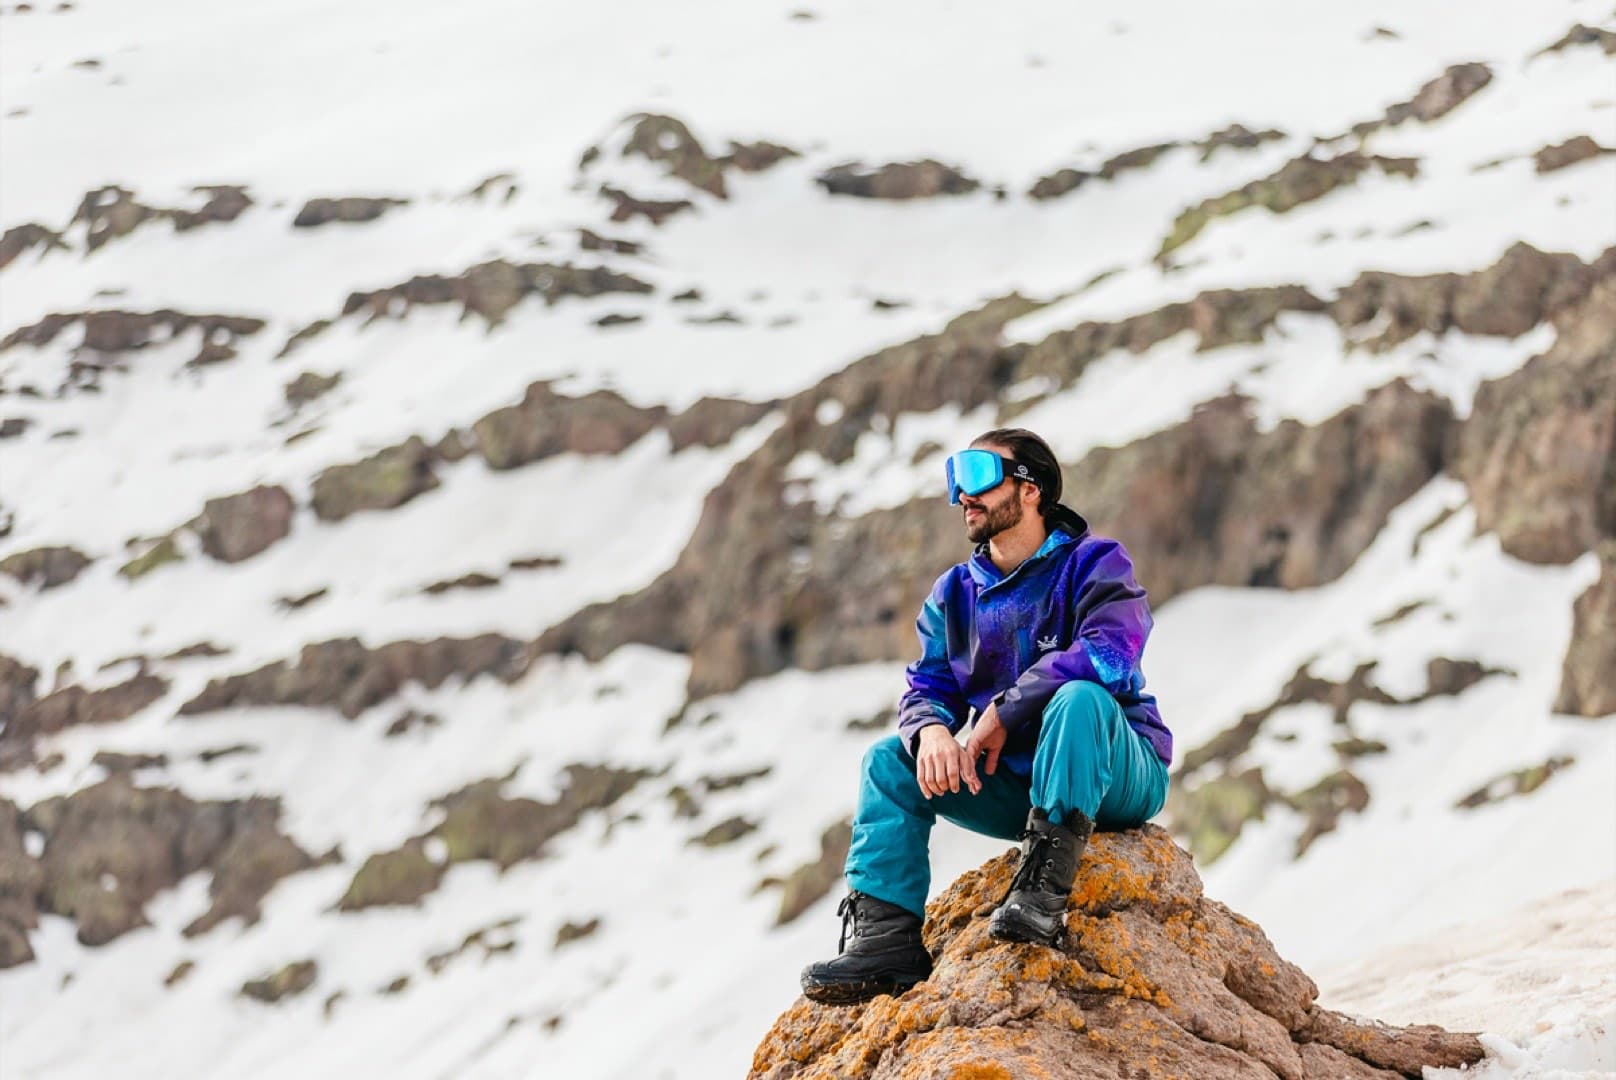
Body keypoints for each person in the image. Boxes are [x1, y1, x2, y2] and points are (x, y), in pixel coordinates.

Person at [800, 427, 1172, 1006]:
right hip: (1020, 785)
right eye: (955, 479)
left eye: (977, 475)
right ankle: (887, 942)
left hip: (1116, 771)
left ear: (1030, 489)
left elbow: (1111, 656)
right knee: (889, 762)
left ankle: (1043, 894)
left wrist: (1002, 709)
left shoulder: (1097, 563)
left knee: (1079, 699)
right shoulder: (954, 593)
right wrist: (930, 732)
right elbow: (927, 684)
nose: (962, 496)